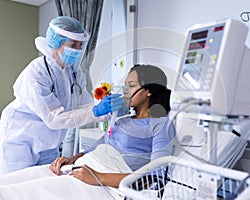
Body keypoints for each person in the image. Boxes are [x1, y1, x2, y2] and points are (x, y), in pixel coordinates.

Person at [0, 64, 175, 200]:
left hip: (105, 182)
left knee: (21, 194)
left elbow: (155, 177)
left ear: (148, 91)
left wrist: (99, 177)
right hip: (84, 167)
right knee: (13, 182)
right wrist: (71, 159)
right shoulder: (123, 120)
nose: (124, 91)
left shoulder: (160, 125)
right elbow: (96, 148)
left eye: (131, 85)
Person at [0, 16, 123, 175]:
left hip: (49, 142)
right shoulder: (37, 72)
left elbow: (83, 105)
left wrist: (107, 111)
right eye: (73, 45)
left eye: (80, 45)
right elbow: (53, 118)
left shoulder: (75, 73)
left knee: (45, 180)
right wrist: (95, 111)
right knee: (15, 186)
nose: (78, 50)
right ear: (57, 44)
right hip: (20, 138)